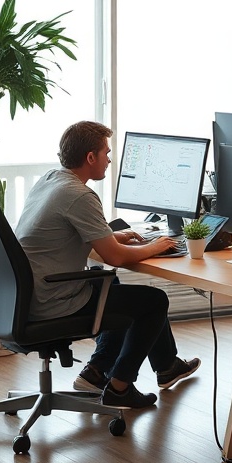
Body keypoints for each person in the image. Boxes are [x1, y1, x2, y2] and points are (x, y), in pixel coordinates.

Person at [15, 121, 201, 409]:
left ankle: (111, 370)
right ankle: (119, 385)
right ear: (91, 158)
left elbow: (65, 232)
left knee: (110, 286)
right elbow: (115, 257)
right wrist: (156, 245)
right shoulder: (80, 195)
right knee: (153, 301)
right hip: (53, 301)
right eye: (106, 152)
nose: (110, 159)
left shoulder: (52, 179)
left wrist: (110, 235)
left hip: (29, 295)